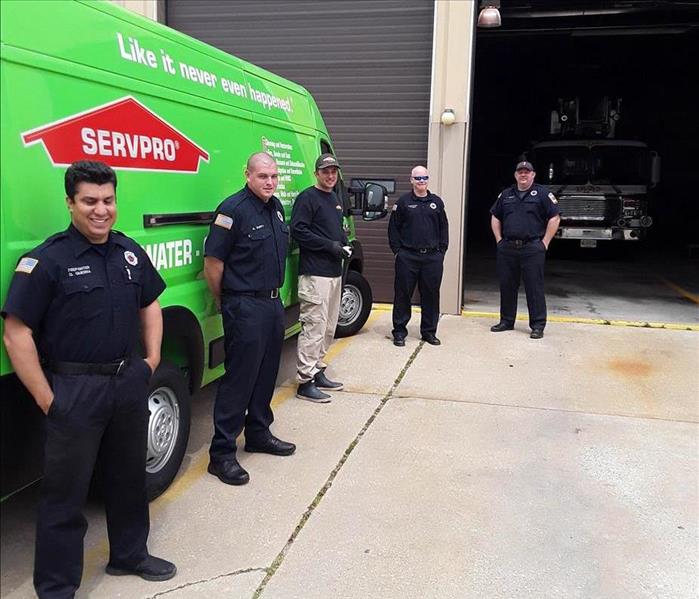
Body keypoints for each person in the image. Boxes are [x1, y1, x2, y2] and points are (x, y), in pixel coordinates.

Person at [1, 160, 175, 598]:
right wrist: (47, 397)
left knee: (128, 478)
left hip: (127, 382)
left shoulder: (129, 252)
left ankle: (130, 555)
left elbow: (150, 303)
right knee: (65, 495)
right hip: (74, 390)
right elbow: (16, 332)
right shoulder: (46, 260)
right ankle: (57, 587)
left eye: (109, 200)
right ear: (70, 203)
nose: (102, 210)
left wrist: (151, 359)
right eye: (90, 201)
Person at [204, 152, 295, 486]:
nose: (269, 182)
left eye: (273, 176)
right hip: (244, 305)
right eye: (262, 177)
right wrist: (227, 300)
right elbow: (213, 263)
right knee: (239, 378)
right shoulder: (232, 210)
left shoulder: (275, 208)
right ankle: (222, 454)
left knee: (266, 372)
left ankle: (258, 433)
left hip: (271, 303)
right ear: (247, 175)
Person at [290, 153, 351, 403]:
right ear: (316, 173)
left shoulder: (334, 197)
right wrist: (331, 247)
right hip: (315, 274)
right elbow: (299, 231)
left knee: (328, 327)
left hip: (333, 272)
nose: (330, 176)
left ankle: (317, 369)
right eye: (325, 171)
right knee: (314, 327)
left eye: (333, 171)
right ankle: (305, 381)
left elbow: (335, 229)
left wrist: (344, 243)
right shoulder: (307, 198)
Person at [489, 160, 561, 339]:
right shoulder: (506, 195)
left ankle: (537, 325)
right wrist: (499, 240)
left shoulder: (543, 194)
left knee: (534, 287)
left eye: (526, 172)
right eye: (520, 172)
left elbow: (555, 218)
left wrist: (545, 243)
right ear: (515, 175)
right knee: (507, 285)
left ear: (533, 174)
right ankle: (506, 321)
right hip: (508, 248)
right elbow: (495, 216)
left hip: (532, 248)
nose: (523, 175)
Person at [388, 165, 449, 347]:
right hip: (408, 257)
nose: (421, 181)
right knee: (402, 295)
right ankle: (399, 331)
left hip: (432, 258)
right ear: (411, 180)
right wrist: (398, 251)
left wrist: (441, 251)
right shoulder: (403, 202)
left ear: (428, 180)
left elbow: (443, 228)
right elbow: (393, 229)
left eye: (424, 178)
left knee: (431, 295)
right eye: (417, 178)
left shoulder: (436, 202)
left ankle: (429, 332)